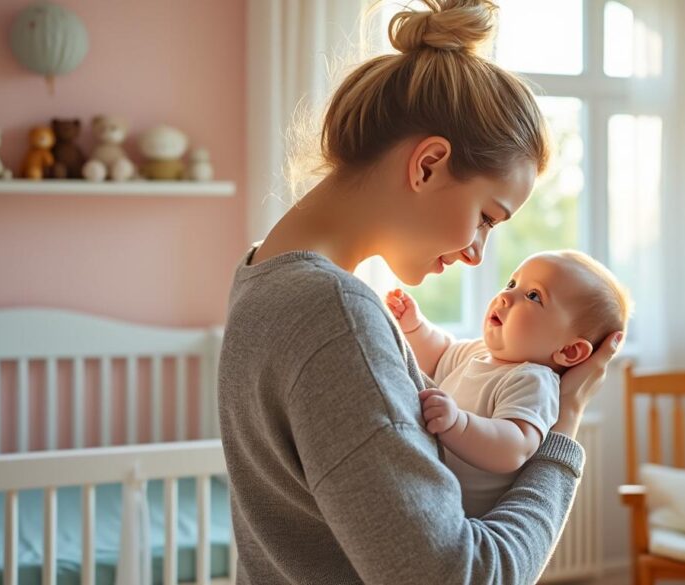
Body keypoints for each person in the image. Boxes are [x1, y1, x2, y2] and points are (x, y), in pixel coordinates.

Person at [217, 1, 624, 583]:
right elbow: (458, 576)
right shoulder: (332, 312)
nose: (478, 252)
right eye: (486, 216)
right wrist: (564, 430)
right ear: (429, 164)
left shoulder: (260, 275)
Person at [385, 250, 631, 517]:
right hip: (428, 491)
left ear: (569, 351)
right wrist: (415, 327)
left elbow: (514, 447)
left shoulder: (533, 381)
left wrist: (458, 423)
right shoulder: (479, 353)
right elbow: (441, 352)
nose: (505, 296)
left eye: (533, 296)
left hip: (465, 517)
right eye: (512, 284)